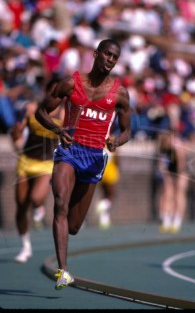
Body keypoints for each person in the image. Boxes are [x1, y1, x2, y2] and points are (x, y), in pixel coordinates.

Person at [35, 38, 131, 290]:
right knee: (60, 203)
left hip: (95, 158)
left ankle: (68, 223)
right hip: (69, 150)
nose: (110, 60)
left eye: (115, 57)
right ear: (96, 54)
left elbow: (128, 129)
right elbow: (40, 112)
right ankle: (63, 271)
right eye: (107, 54)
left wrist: (117, 141)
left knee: (74, 226)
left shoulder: (120, 93)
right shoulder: (70, 83)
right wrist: (58, 129)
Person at [10, 78, 64, 263]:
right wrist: (15, 134)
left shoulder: (64, 115)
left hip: (46, 163)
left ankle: (40, 206)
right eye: (52, 91)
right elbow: (17, 134)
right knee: (21, 205)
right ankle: (25, 246)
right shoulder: (32, 108)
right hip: (26, 160)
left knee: (35, 198)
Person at [155, 129, 189, 233]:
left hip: (181, 171)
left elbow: (181, 165)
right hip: (169, 170)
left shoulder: (177, 146)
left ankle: (177, 220)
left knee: (179, 194)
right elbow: (161, 163)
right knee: (167, 194)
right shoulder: (162, 146)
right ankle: (166, 220)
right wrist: (166, 175)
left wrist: (177, 178)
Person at [96, 149, 120, 229]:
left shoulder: (101, 144)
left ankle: (104, 220)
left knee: (104, 194)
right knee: (112, 194)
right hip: (110, 170)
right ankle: (103, 205)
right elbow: (118, 158)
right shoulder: (112, 142)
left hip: (101, 170)